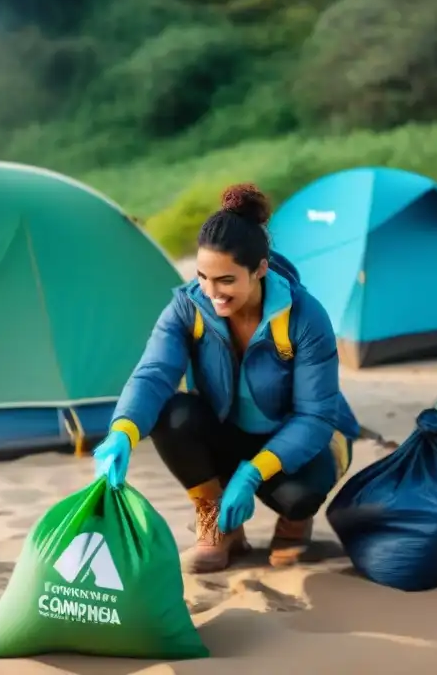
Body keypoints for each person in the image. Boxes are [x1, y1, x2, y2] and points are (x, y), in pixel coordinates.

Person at [93, 183, 360, 573]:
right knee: (173, 413)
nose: (211, 292)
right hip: (228, 430)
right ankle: (216, 524)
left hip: (301, 437)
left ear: (260, 270)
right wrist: (122, 431)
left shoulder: (305, 317)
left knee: (299, 493)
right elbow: (154, 373)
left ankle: (294, 524)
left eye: (226, 281)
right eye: (203, 277)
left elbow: (315, 417)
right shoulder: (188, 306)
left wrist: (252, 474)